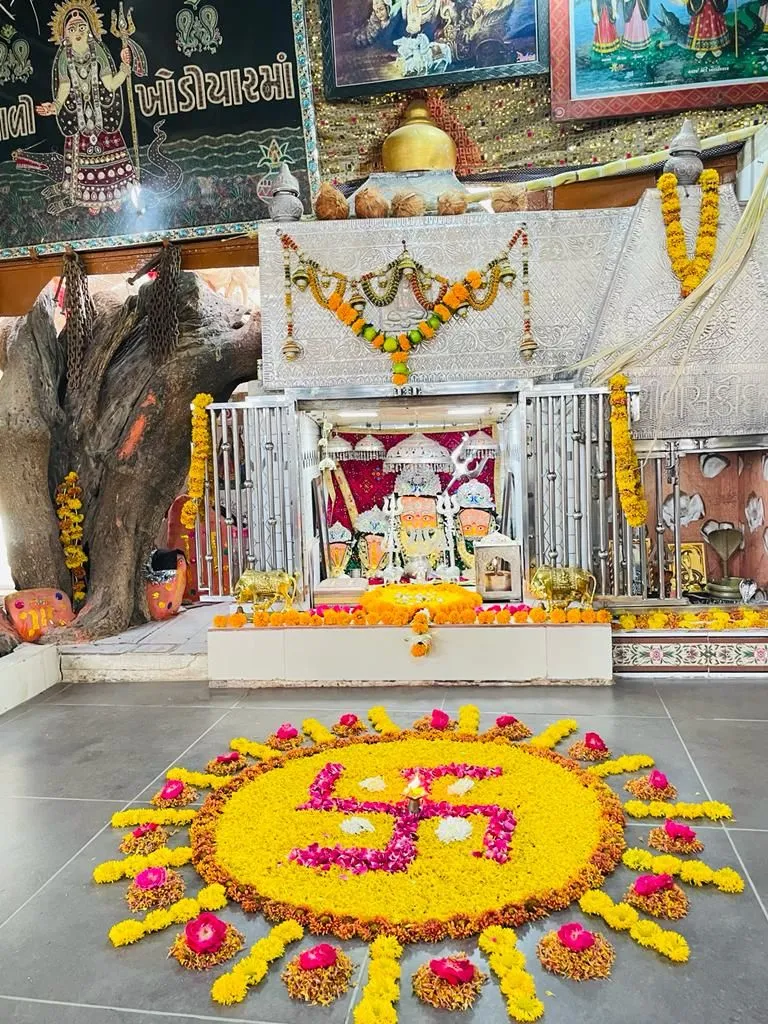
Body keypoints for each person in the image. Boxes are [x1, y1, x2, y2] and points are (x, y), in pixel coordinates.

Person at [34, 0, 137, 214]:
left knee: (110, 154)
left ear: (90, 29)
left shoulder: (98, 51)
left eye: (82, 27)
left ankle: (115, 194)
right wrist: (54, 107)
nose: (78, 32)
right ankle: (90, 199)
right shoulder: (64, 57)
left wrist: (125, 68)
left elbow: (109, 84)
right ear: (65, 35)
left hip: (102, 117)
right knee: (84, 159)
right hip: (79, 120)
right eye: (72, 29)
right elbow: (63, 88)